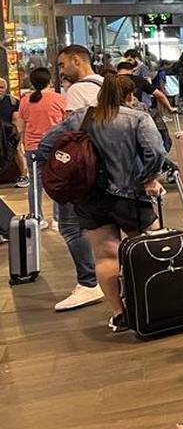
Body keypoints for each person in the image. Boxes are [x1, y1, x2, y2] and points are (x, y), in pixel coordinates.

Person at [39, 74, 166, 333]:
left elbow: (45, 146)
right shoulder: (138, 117)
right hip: (132, 197)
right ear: (130, 96)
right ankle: (152, 304)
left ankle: (120, 314)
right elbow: (157, 152)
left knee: (106, 256)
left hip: (90, 198)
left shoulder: (81, 117)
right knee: (145, 249)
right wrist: (146, 177)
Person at [48, 44, 106, 312]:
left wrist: (43, 149)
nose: (61, 70)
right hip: (105, 167)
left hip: (80, 171)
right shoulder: (104, 85)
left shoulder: (78, 90)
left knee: (70, 226)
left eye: (62, 65)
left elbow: (70, 134)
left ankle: (88, 283)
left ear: (76, 61)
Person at [15, 67, 64, 228]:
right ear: (49, 81)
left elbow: (20, 127)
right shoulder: (58, 99)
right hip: (55, 146)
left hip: (32, 147)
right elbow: (66, 124)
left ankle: (37, 218)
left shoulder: (24, 101)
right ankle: (57, 219)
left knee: (35, 184)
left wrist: (22, 144)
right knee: (58, 183)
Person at [116, 60, 175, 152]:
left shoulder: (108, 81)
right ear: (132, 70)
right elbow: (159, 95)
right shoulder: (139, 80)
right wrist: (169, 108)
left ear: (117, 70)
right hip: (136, 115)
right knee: (163, 137)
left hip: (113, 116)